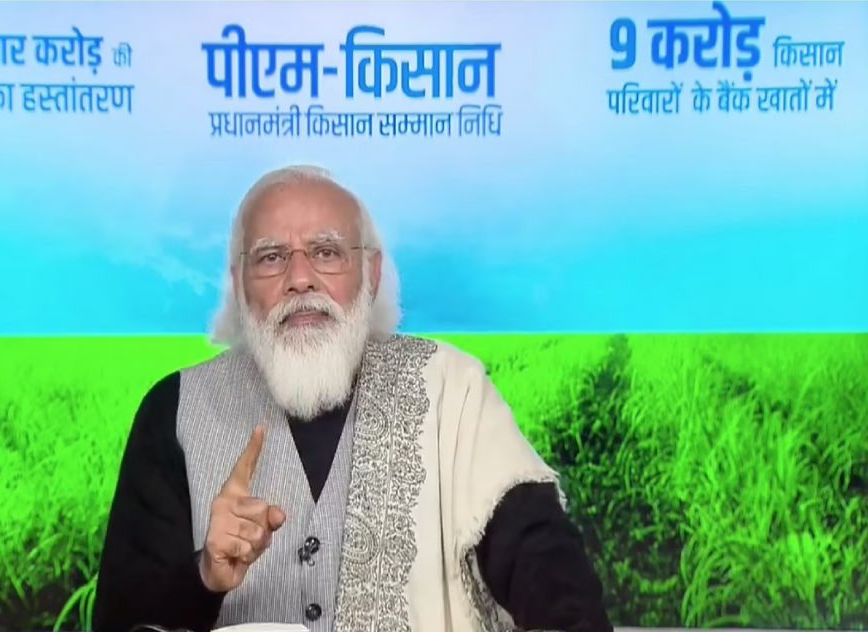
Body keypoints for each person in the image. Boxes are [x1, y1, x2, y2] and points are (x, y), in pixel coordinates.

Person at [92, 165, 611, 632]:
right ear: (239, 283)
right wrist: (205, 574)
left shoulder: (450, 388)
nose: (300, 279)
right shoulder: (175, 409)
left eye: (326, 252)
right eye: (271, 257)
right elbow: (124, 617)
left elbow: (544, 561)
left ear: (371, 273)